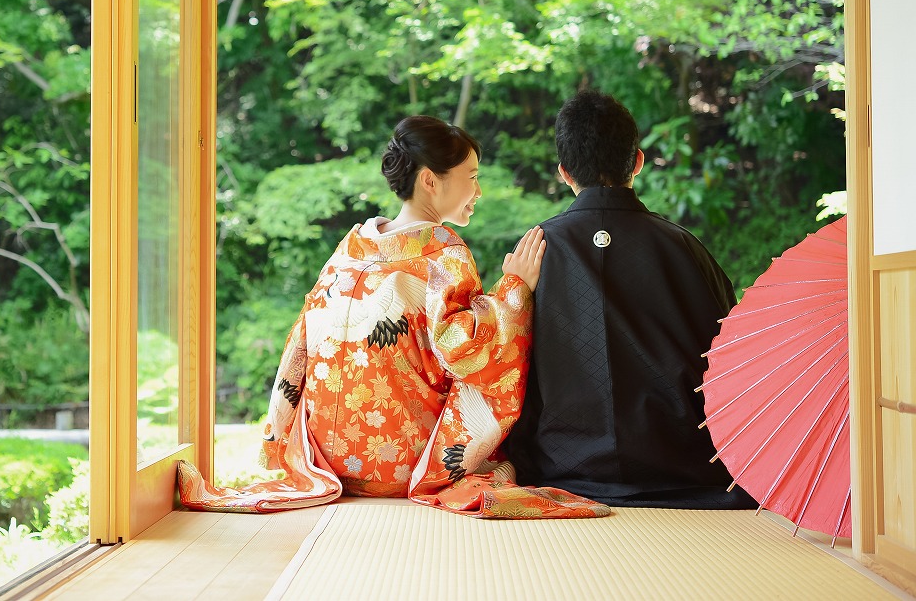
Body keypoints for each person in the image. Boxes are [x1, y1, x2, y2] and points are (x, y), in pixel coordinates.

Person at [179, 115, 609, 520]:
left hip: (326, 458)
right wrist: (515, 288)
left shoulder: (351, 246)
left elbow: (302, 338)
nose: (478, 191)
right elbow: (467, 347)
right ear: (429, 180)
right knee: (495, 421)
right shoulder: (443, 251)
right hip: (403, 461)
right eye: (472, 177)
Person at [502, 89, 755, 508]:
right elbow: (732, 354)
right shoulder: (684, 248)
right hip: (682, 469)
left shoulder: (536, 250)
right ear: (637, 161)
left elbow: (503, 357)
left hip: (562, 471)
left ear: (564, 172)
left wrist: (511, 290)